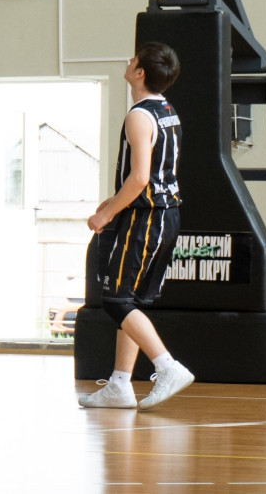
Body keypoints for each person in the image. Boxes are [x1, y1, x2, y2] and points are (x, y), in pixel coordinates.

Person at [77, 42, 196, 411]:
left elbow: (141, 176)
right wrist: (113, 202)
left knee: (115, 300)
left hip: (146, 217)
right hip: (165, 214)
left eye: (133, 60)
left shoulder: (139, 116)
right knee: (130, 301)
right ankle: (120, 383)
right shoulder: (166, 110)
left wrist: (107, 214)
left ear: (140, 72)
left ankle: (167, 367)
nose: (128, 62)